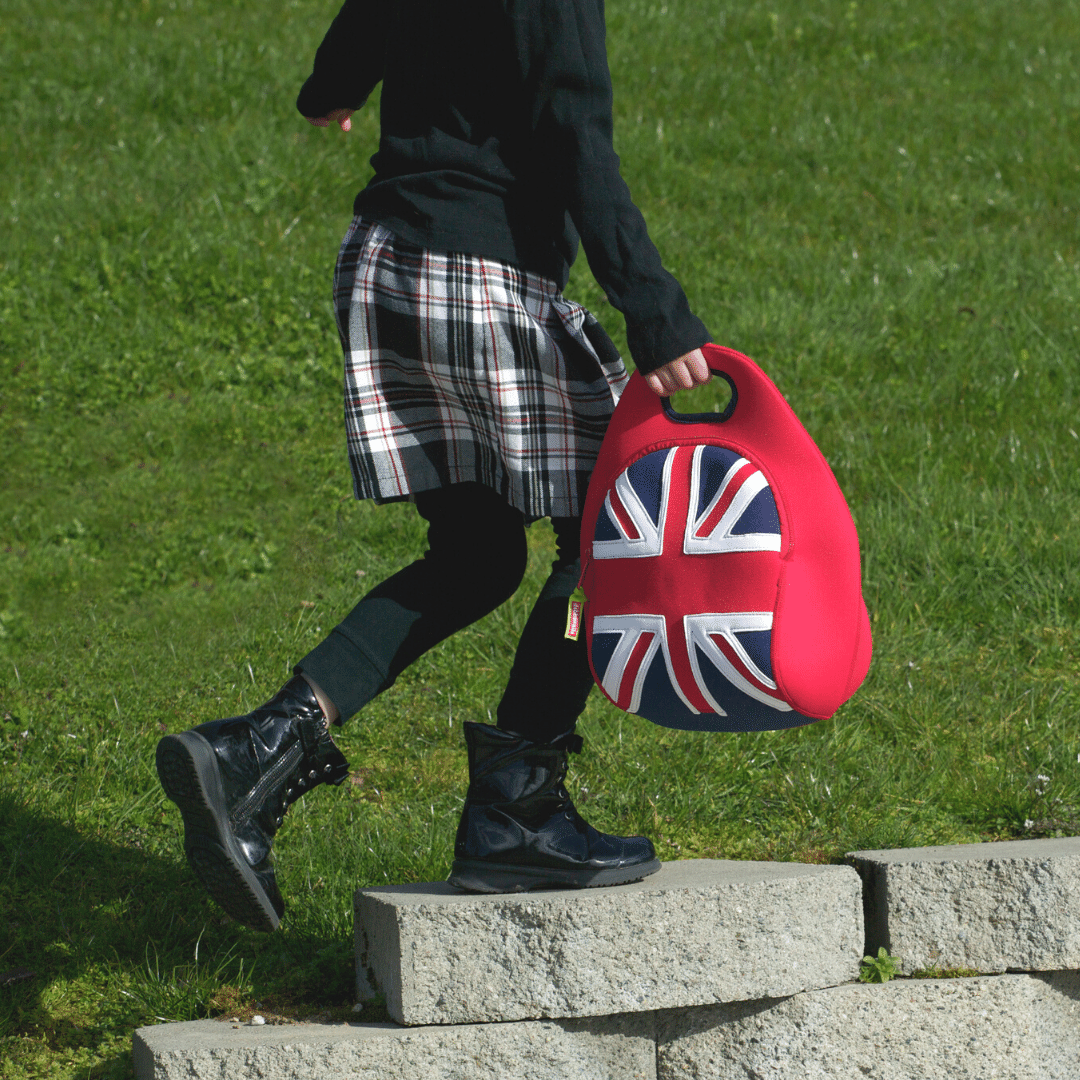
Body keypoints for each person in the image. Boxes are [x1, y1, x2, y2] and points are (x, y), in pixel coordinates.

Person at [156, 0, 712, 933]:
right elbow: (575, 130)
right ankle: (518, 809)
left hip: (386, 265)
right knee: (611, 535)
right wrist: (653, 310)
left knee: (478, 555)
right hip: (477, 270)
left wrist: (334, 86)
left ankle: (258, 750)